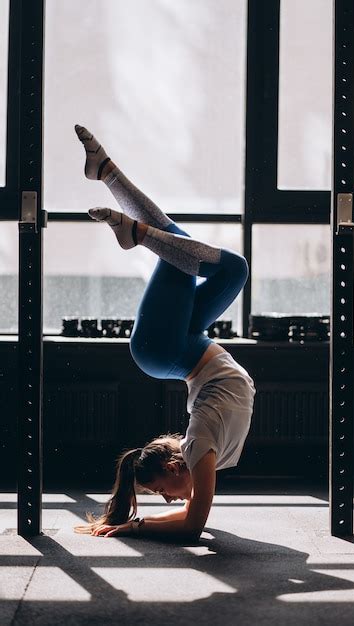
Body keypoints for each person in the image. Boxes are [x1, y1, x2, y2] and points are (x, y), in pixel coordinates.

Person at [73, 125, 256, 541]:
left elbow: (193, 524)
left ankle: (135, 231)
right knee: (206, 258)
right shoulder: (203, 455)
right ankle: (107, 174)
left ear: (174, 468)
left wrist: (134, 526)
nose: (169, 499)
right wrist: (134, 523)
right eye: (161, 496)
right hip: (186, 345)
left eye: (160, 492)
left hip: (168, 351)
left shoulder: (198, 446)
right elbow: (194, 521)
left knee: (215, 263)